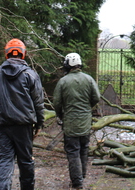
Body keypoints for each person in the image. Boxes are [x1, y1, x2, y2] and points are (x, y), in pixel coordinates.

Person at [0, 38, 45, 190]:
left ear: (7, 54)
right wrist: (39, 123)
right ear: (23, 53)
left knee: (5, 160)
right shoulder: (30, 75)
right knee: (26, 161)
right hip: (23, 126)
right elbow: (38, 102)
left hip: (3, 125)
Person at [53, 53, 100, 190]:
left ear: (68, 65)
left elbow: (57, 102)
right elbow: (96, 97)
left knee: (73, 151)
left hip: (70, 122)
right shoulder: (89, 79)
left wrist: (60, 115)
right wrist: (87, 108)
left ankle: (77, 182)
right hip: (85, 121)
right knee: (84, 149)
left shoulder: (63, 81)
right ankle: (82, 176)